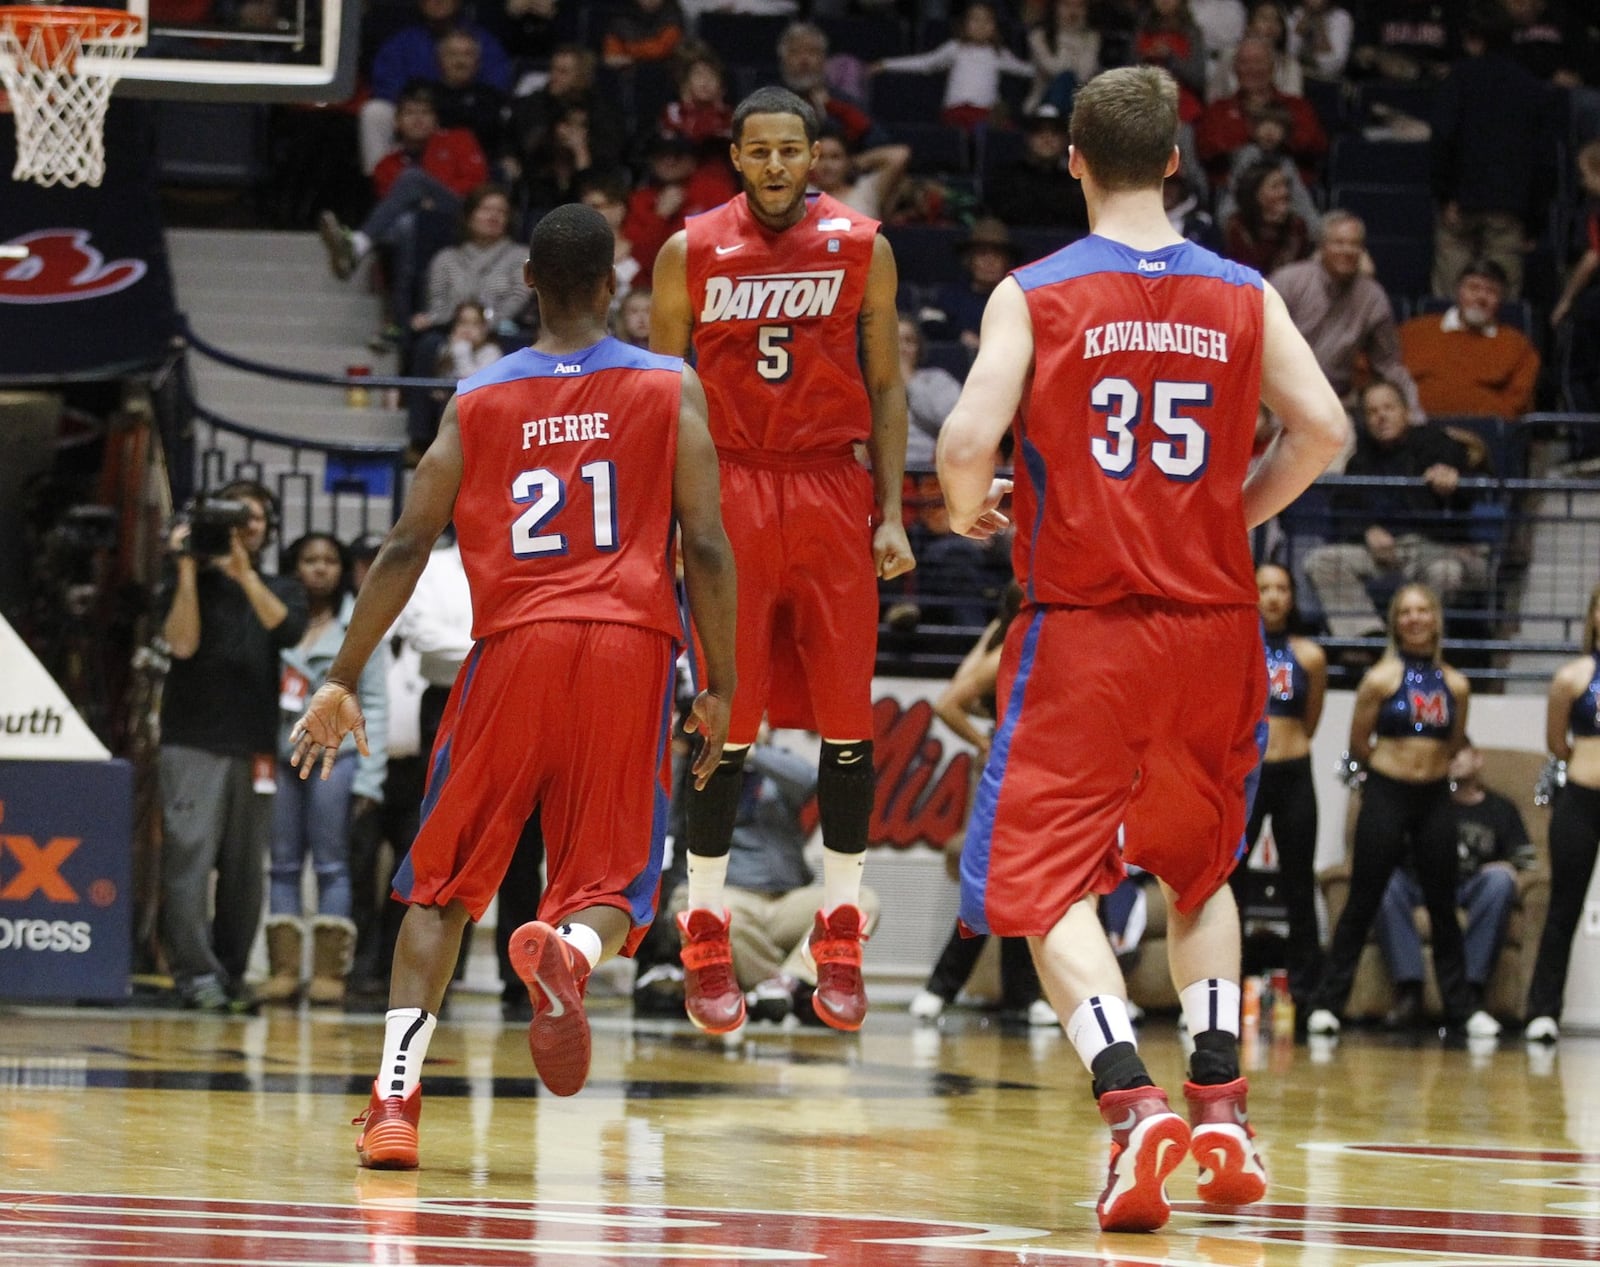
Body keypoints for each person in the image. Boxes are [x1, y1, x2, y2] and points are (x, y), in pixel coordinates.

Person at [934, 65, 1347, 1233]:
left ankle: (1130, 1104)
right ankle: (1219, 1105)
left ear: (1071, 160)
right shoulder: (1244, 292)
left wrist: (970, 505)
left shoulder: (1035, 290)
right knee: (1200, 868)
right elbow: (1323, 430)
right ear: (1176, 159)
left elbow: (967, 434)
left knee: (1040, 882)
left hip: (1085, 627)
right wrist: (1229, 515)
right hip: (1216, 627)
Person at [288, 203, 738, 1168]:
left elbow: (408, 543)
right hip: (629, 645)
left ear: (524, 282)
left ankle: (397, 1103)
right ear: (615, 281)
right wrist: (721, 683)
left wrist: (341, 674)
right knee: (614, 880)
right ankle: (571, 953)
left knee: (441, 888)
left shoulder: (477, 397)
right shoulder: (670, 384)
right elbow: (704, 541)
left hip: (512, 650)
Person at [650, 85, 916, 1036]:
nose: (773, 166)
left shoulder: (862, 246)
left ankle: (839, 928)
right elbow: (661, 401)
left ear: (815, 158)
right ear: (736, 155)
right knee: (726, 717)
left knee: (849, 718)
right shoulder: (688, 251)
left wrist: (890, 512)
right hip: (728, 493)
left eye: (789, 151)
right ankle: (706, 926)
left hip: (830, 489)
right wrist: (666, 526)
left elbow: (887, 385)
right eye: (756, 152)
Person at [159, 480, 308, 1011]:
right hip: (191, 739)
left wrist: (243, 573)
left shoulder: (280, 587)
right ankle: (195, 974)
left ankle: (232, 972)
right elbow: (181, 643)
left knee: (246, 871)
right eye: (236, 517)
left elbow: (285, 630)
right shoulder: (185, 578)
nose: (247, 527)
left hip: (254, 744)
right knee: (189, 862)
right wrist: (185, 569)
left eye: (257, 520)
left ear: (267, 531)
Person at [1305, 583, 1477, 1039]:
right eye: (1406, 612)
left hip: (1435, 798)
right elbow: (1359, 742)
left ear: (1436, 619)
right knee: (1363, 896)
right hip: (1386, 795)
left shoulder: (1457, 685)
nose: (1416, 619)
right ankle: (1328, 1004)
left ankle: (1461, 1010)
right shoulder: (1379, 679)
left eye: (1424, 611)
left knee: (1443, 902)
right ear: (1396, 622)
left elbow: (1455, 740)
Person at [910, 585, 1057, 1027]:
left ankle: (1019, 997)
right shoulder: (1009, 651)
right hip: (1010, 777)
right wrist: (985, 742)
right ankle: (941, 987)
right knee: (992, 884)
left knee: (1019, 885)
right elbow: (949, 703)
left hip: (1043, 776)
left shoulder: (1041, 647)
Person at [665, 735, 882, 1028]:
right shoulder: (698, 764)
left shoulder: (774, 764)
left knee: (863, 901)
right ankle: (780, 986)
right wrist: (693, 752)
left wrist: (750, 751)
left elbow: (809, 781)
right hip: (733, 898)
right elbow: (667, 813)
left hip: (786, 901)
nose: (757, 725)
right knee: (702, 912)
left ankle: (788, 982)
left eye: (763, 719)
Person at [263, 533, 389, 1008]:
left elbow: (373, 703)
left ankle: (329, 972)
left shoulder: (358, 623)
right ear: (293, 567)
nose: (319, 569)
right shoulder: (277, 620)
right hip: (279, 756)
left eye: (329, 560)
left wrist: (370, 779)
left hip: (337, 759)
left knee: (333, 863)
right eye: (308, 560)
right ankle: (283, 970)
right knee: (283, 864)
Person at [1302, 379, 1486, 641]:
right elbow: (1343, 506)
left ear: (1406, 412)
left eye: (1388, 408)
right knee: (1320, 562)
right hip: (1381, 553)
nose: (1381, 417)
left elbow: (1477, 484)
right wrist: (1367, 531)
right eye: (1372, 412)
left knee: (1447, 572)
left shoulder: (1437, 442)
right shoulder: (1360, 458)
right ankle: (1367, 637)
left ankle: (1418, 643)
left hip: (1431, 548)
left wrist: (1454, 482)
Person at [1375, 739, 1535, 1036]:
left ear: (1478, 759)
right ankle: (1410, 990)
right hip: (1420, 884)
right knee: (1382, 880)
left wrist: (1509, 870)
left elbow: (1528, 866)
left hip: (1472, 888)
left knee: (1500, 881)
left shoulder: (1501, 808)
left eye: (1459, 753)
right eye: (1447, 756)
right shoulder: (1425, 806)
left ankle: (1469, 993)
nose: (1454, 760)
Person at [1230, 562, 1324, 1014]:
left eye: (1281, 588)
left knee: (1298, 883)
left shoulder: (1310, 656)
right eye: (1263, 588)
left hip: (1294, 773)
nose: (1271, 597)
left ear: (1291, 597)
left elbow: (1310, 719)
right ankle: (1228, 989)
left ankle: (1309, 997)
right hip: (1247, 774)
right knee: (1233, 881)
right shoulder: (1234, 645)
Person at [1524, 582, 1600, 1044]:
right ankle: (1542, 1011)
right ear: (1593, 617)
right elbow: (1557, 743)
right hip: (1582, 800)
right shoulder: (1572, 677)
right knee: (1563, 906)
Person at [1269, 211, 1423, 419]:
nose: (1347, 251)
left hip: (1336, 403)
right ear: (1322, 246)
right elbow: (1257, 339)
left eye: (1354, 244)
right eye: (1339, 243)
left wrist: (1414, 416)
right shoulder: (1289, 281)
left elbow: (1388, 365)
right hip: (1278, 395)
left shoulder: (1372, 297)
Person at [1399, 259, 1540, 421]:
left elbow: (1518, 405)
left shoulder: (1517, 345)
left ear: (1501, 300)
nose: (1481, 297)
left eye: (1491, 291)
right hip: (1415, 434)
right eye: (1473, 288)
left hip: (1484, 438)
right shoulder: (1414, 332)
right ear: (1458, 291)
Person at [871, 1, 1034, 132]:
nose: (981, 25)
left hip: (983, 113)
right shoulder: (955, 48)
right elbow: (925, 63)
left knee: (1006, 131)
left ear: (995, 27)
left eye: (987, 21)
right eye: (975, 19)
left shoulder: (998, 53)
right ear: (964, 24)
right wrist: (886, 64)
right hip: (956, 112)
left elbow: (1025, 70)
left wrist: (1054, 69)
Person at [1222, 161, 1313, 275]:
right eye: (1275, 187)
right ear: (1255, 194)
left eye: (1285, 185)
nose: (1284, 192)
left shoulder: (1297, 226)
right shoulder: (1238, 227)